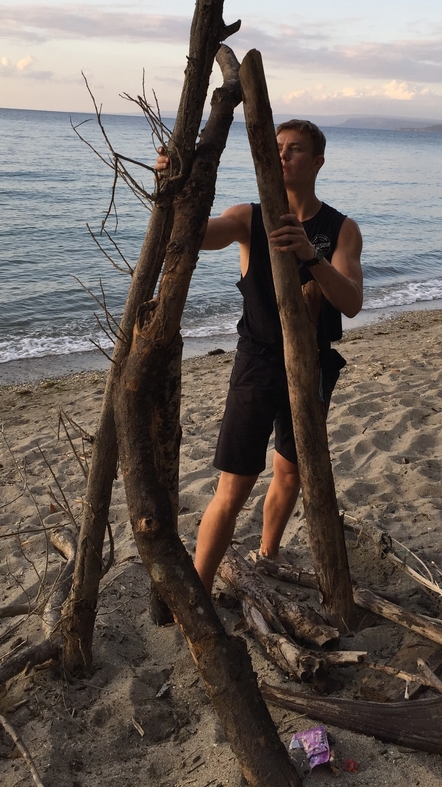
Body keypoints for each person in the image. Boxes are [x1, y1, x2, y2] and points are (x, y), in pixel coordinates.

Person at [157, 119, 363, 594]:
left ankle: (268, 553)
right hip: (258, 361)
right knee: (235, 484)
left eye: (295, 149)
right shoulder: (248, 217)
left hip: (313, 363)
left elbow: (351, 302)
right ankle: (199, 592)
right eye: (277, 148)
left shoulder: (341, 229)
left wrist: (310, 255)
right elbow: (194, 234)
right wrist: (171, 189)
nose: (283, 156)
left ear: (318, 161)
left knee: (291, 470)